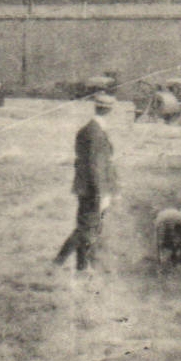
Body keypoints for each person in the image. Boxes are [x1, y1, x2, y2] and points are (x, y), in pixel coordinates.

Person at [53, 92, 118, 271]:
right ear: (110, 110)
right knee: (85, 230)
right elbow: (95, 166)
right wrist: (102, 193)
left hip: (87, 188)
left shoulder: (88, 129)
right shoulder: (95, 132)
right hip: (93, 189)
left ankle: (81, 268)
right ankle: (56, 263)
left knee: (87, 229)